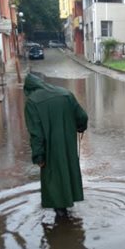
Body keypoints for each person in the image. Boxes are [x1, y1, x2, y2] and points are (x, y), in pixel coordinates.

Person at [24, 73, 88, 217]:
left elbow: (36, 134)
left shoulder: (32, 102)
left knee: (53, 178)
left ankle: (61, 221)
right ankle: (69, 215)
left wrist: (38, 156)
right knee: (68, 170)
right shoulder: (66, 94)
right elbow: (82, 117)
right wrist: (80, 127)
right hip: (68, 145)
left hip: (50, 149)